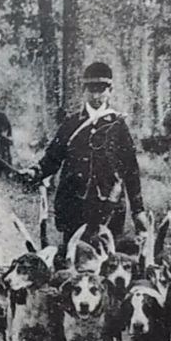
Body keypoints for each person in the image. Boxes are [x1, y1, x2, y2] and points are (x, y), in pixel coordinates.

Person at [20, 61, 147, 246]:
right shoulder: (71, 124)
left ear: (110, 90)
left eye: (101, 90)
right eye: (91, 90)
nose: (96, 96)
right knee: (72, 258)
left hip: (109, 206)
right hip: (74, 205)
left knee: (105, 261)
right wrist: (35, 172)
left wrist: (138, 210)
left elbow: (131, 169)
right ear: (84, 90)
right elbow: (53, 158)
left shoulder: (118, 126)